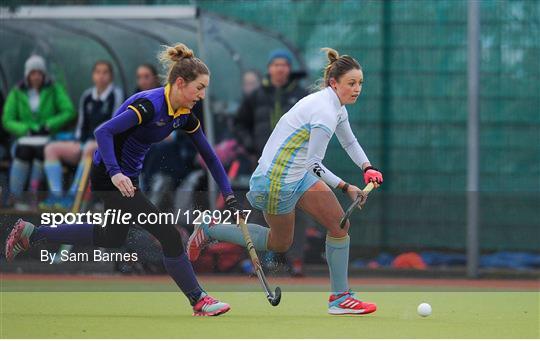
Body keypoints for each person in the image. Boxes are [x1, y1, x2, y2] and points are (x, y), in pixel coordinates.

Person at [5, 43, 240, 317]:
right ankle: (198, 299)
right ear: (179, 82)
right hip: (110, 175)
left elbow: (210, 157)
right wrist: (116, 173)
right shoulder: (150, 105)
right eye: (199, 88)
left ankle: (32, 233)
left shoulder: (183, 115)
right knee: (169, 234)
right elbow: (103, 131)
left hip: (126, 176)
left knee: (110, 236)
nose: (202, 95)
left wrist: (230, 196)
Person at [187, 48, 384, 315]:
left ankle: (340, 298)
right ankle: (209, 229)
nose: (357, 88)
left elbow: (349, 141)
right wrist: (347, 186)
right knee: (280, 243)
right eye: (351, 83)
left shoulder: (336, 106)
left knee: (339, 225)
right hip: (275, 182)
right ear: (334, 83)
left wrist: (367, 167)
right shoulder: (324, 112)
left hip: (299, 174)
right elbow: (316, 164)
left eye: (360, 83)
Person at [236, 50, 309, 275]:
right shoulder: (256, 95)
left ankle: (294, 260)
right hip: (263, 164)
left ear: (289, 69)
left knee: (299, 209)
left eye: (284, 64)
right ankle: (253, 260)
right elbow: (239, 124)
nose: (280, 68)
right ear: (269, 68)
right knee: (256, 209)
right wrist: (250, 146)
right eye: (275, 64)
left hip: (294, 165)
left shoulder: (302, 95)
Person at [41, 60, 123, 210]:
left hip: (107, 145)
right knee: (50, 149)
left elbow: (114, 125)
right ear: (93, 75)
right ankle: (56, 197)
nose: (101, 76)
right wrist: (78, 141)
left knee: (90, 148)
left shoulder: (116, 95)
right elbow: (82, 125)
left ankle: (73, 198)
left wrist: (91, 142)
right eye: (98, 72)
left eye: (105, 72)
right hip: (86, 144)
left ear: (111, 76)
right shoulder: (87, 96)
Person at [2, 55, 75, 209]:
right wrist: (25, 129)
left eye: (39, 73)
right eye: (32, 73)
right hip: (24, 139)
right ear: (27, 74)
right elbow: (7, 119)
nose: (36, 76)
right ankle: (15, 196)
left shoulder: (54, 89)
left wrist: (49, 125)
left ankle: (33, 194)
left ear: (43, 74)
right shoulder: (17, 92)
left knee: (42, 152)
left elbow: (68, 111)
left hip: (47, 137)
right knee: (23, 152)